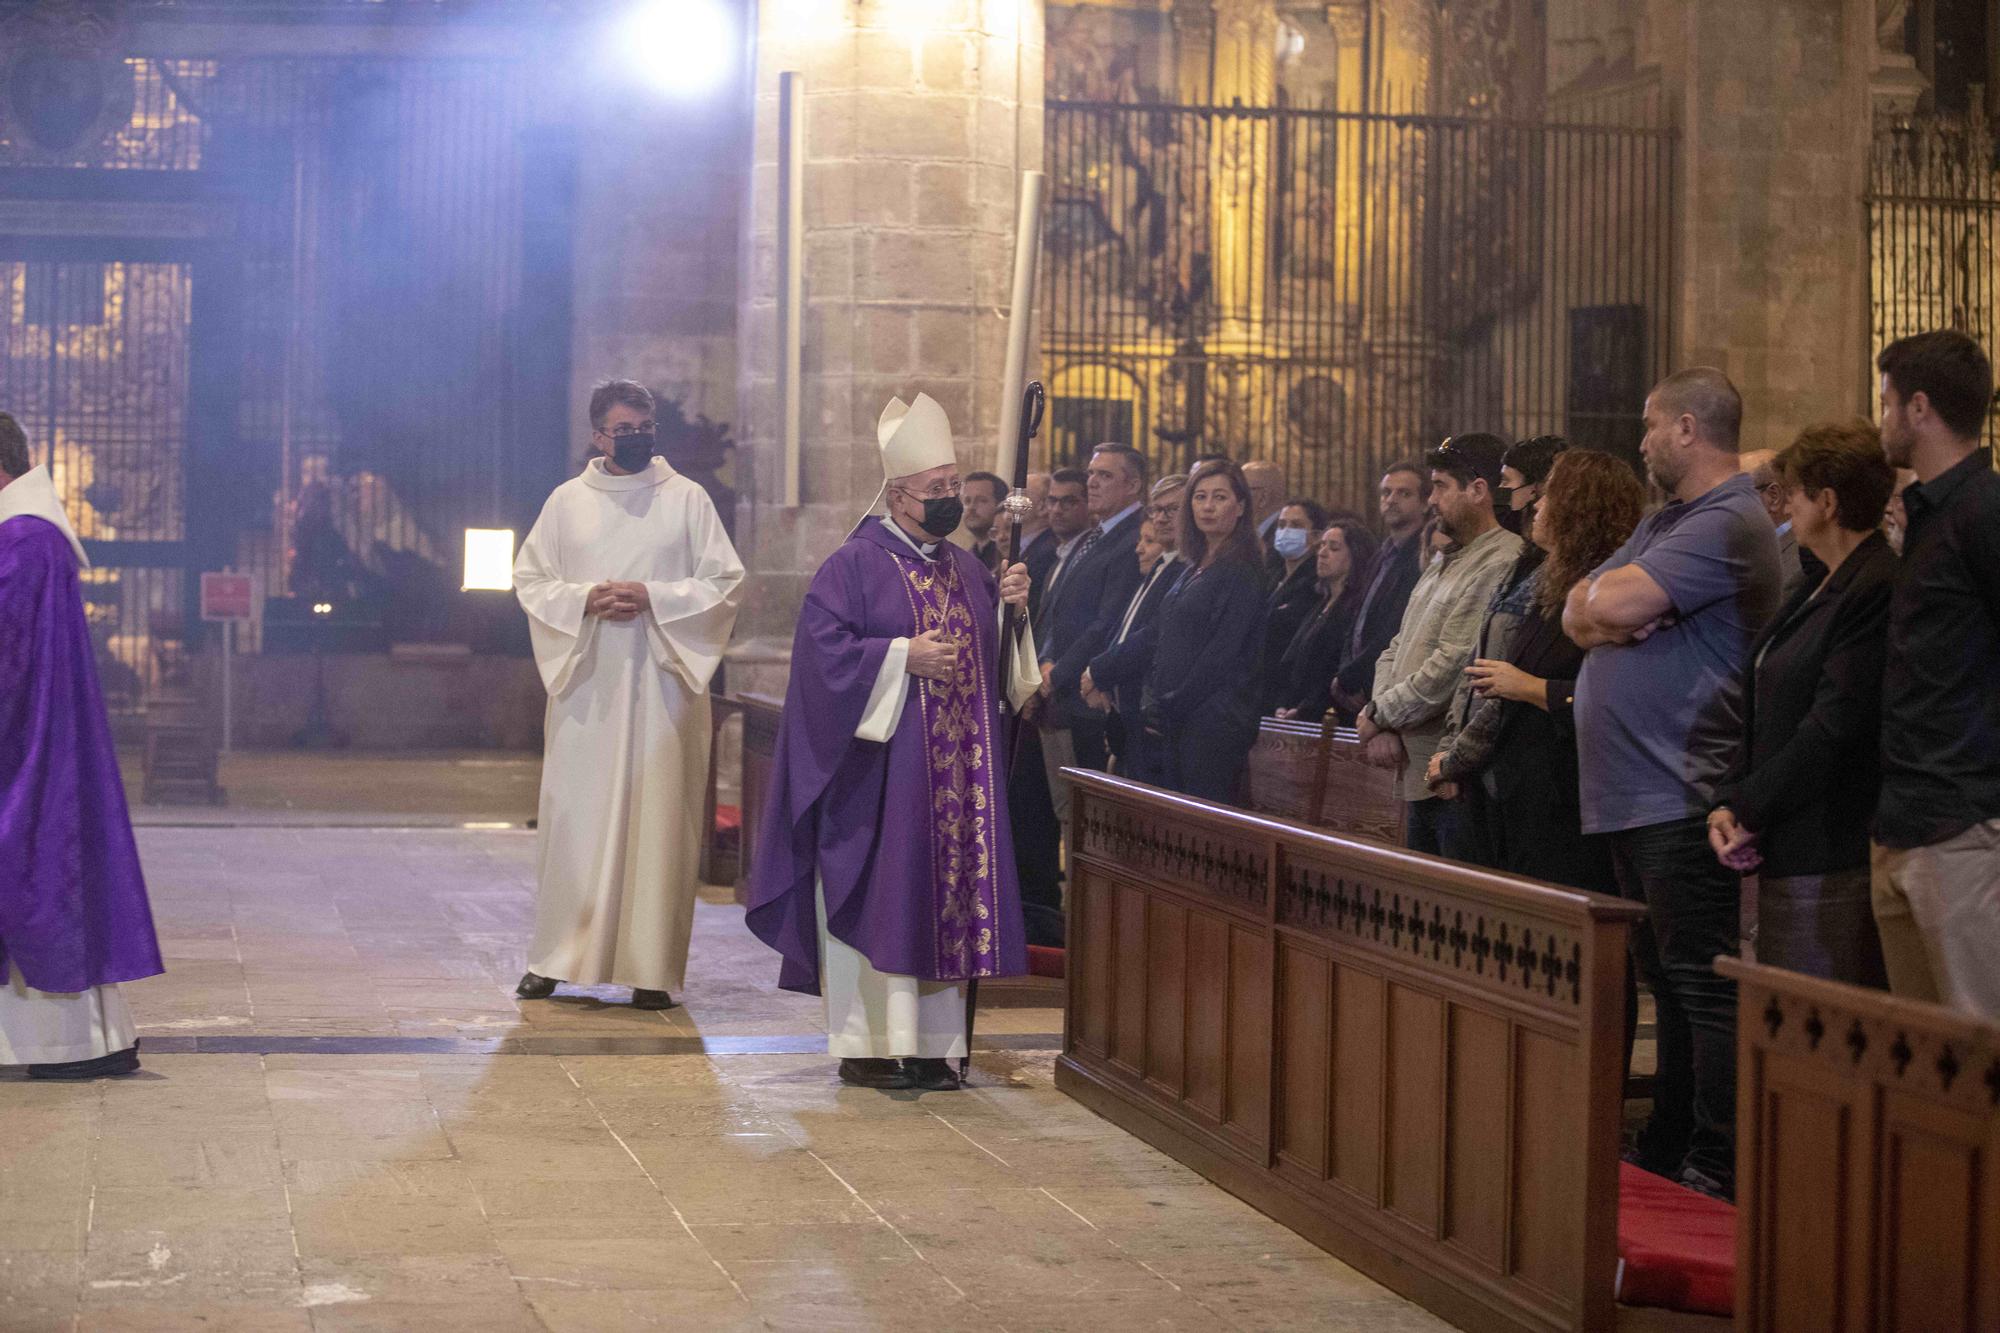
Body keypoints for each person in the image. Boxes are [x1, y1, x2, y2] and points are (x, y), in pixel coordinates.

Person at [745, 391, 1038, 1091]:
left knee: (946, 903)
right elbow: (819, 662)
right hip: (880, 783)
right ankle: (870, 1044)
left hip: (957, 784)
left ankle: (934, 1049)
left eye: (953, 487)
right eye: (935, 490)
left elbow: (1006, 678)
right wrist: (899, 655)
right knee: (886, 896)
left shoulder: (968, 570)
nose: (949, 500)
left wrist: (1016, 612)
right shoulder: (852, 565)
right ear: (899, 496)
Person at [1564, 367, 1781, 1201]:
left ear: (1690, 428)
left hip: (1684, 786)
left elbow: (1612, 611)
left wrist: (1609, 610)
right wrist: (1600, 606)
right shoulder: (1666, 522)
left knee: (1701, 981)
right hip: (1635, 788)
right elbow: (1577, 610)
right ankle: (1669, 1141)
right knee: (1670, 977)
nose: (1641, 439)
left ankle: (1720, 1162)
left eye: (1652, 425)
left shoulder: (1726, 520)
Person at [513, 380, 745, 1010]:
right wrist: (585, 598)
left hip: (664, 684)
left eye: (645, 427)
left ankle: (651, 969)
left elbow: (725, 582)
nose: (638, 437)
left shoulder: (687, 499)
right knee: (573, 820)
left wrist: (654, 596)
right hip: (588, 683)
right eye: (625, 429)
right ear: (598, 436)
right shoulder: (565, 502)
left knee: (660, 822)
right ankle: (554, 958)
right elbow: (531, 580)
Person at [0, 412, 163, 1079]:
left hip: (25, 748)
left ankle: (68, 1043)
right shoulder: (29, 537)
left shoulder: (21, 543)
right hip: (37, 738)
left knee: (36, 875)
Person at [1707, 420, 1895, 988]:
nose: (1783, 504)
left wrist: (1747, 807)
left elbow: (1832, 725)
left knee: (1818, 1032)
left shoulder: (1875, 585)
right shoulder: (1817, 583)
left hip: (1830, 843)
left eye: (1792, 492)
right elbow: (1763, 700)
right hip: (1788, 837)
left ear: (1829, 502)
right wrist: (1728, 799)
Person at [1432, 448, 1639, 893]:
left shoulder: (1607, 590)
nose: (1537, 506)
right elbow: (1486, 673)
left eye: (1550, 496)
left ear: (1581, 511)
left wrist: (1531, 689)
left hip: (1562, 798)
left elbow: (1611, 694)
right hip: (1516, 791)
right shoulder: (1547, 578)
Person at [1870, 331, 2000, 1018]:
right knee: (1921, 1066)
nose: (1881, 419)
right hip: (1902, 819)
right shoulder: (1922, 514)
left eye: (1886, 402)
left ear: (1919, 408)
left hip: (1962, 826)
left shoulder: (1984, 509)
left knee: (1977, 1052)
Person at [1355, 434, 1523, 861]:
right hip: (1417, 764)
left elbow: (1455, 662)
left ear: (1478, 491)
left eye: (1441, 486)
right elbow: (1396, 645)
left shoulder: (1500, 560)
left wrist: (1380, 713)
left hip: (1452, 773)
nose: (1432, 500)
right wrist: (1384, 718)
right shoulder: (1443, 560)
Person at [1427, 434, 1570, 864]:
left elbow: (1505, 676)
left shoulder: (1553, 575)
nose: (1506, 495)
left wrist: (1457, 758)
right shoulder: (1525, 562)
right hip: (1483, 768)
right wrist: (1452, 744)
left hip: (1526, 773)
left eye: (1509, 483)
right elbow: (1477, 664)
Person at [1136, 460, 1269, 800]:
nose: (1208, 506)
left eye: (1219, 497)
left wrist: (1173, 703)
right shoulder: (1194, 565)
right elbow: (1168, 634)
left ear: (1240, 507)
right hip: (1178, 717)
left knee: (1200, 832)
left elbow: (1221, 653)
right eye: (1200, 497)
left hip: (1212, 722)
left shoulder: (1242, 570)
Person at [1010, 467, 1089, 947]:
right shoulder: (1064, 552)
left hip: (1068, 698)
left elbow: (1090, 624)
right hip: (1045, 691)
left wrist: (1046, 677)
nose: (1057, 509)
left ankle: (1068, 923)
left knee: (1069, 816)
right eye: (1052, 501)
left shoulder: (1079, 551)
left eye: (1067, 500)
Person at [1039, 444, 1149, 782]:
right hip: (1066, 690)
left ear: (1132, 486)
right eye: (1091, 473)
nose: (1093, 483)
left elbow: (1107, 621)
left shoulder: (1133, 537)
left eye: (1105, 475)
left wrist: (1058, 673)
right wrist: (1046, 663)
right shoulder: (1098, 534)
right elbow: (1062, 606)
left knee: (1085, 810)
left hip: (1091, 694)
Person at [1080, 475, 1188, 779]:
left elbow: (1154, 634)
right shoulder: (1162, 564)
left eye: (1172, 510)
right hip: (1126, 709)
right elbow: (1126, 626)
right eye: (1157, 510)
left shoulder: (1186, 568)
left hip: (1150, 710)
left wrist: (1098, 671)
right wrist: (1102, 676)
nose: (1161, 518)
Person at [1325, 463, 1428, 719]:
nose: (1391, 500)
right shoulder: (1383, 553)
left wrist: (1356, 676)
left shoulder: (1422, 557)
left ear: (1426, 503)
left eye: (1404, 494)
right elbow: (1357, 618)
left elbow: (1397, 626)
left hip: (1389, 686)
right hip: (1356, 686)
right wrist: (1344, 674)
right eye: (1386, 493)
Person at [1271, 516, 1379, 722]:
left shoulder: (1356, 609)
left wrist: (1306, 709)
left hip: (1329, 717)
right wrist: (1282, 704)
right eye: (1321, 546)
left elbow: (1334, 668)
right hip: (1294, 712)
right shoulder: (1320, 604)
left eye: (1334, 548)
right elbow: (1293, 661)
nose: (1322, 553)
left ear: (1355, 556)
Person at [1261, 499, 1330, 712]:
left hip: (1285, 688)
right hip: (1260, 684)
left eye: (1296, 526)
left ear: (1317, 536)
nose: (1286, 531)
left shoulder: (1315, 583)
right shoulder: (1272, 575)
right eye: (1282, 525)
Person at [1739, 449, 1826, 599]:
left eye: (1735, 495)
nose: (1726, 506)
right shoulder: (1745, 546)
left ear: (1773, 496)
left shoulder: (1802, 564)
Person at [961, 471, 1008, 574]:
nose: (971, 507)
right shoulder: (964, 558)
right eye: (967, 501)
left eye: (981, 500)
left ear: (1000, 504)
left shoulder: (1006, 553)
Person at [1242, 458, 1287, 559]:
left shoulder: (1280, 542)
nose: (1235, 497)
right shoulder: (1255, 533)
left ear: (1263, 498)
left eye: (1240, 489)